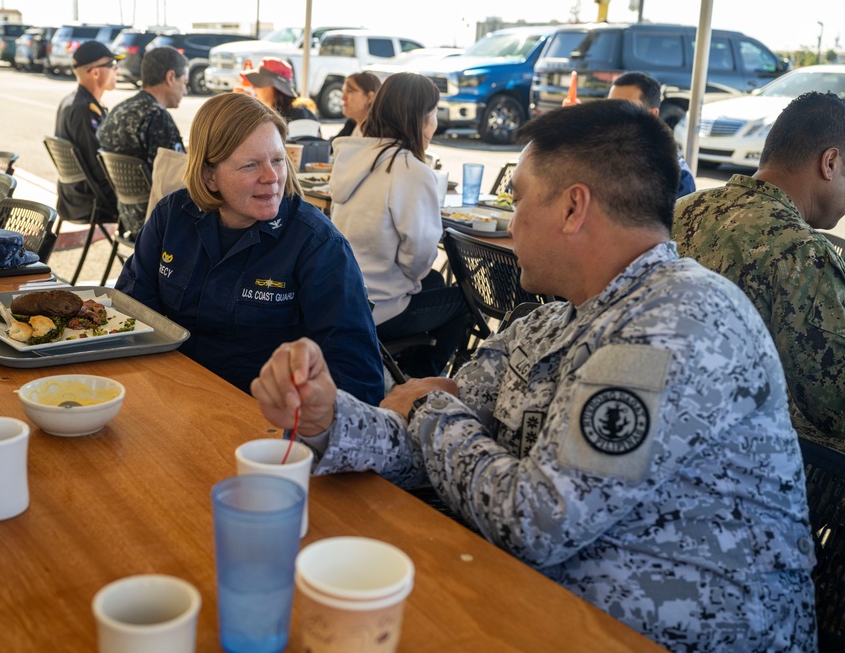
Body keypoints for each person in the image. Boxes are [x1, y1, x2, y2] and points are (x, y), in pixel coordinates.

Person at [253, 101, 817, 652]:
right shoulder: (556, 317)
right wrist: (329, 418)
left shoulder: (676, 322)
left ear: (574, 208)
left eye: (517, 199)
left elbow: (537, 521)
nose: (510, 218)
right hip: (530, 603)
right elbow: (436, 442)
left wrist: (429, 409)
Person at [114, 91, 383, 405]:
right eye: (250, 166)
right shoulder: (172, 217)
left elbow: (356, 380)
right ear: (208, 175)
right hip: (170, 398)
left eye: (278, 160)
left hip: (262, 422)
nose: (271, 177)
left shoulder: (317, 245)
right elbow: (129, 315)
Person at [673, 91, 845, 445]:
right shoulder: (801, 253)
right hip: (735, 458)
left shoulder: (682, 209)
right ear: (829, 163)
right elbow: (835, 408)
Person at [330, 72, 468, 378]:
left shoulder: (355, 155)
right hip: (376, 307)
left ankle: (397, 370)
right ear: (418, 119)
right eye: (433, 115)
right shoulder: (410, 170)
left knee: (433, 281)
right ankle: (416, 385)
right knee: (464, 300)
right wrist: (411, 277)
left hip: (343, 297)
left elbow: (417, 266)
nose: (435, 125)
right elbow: (418, 256)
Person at [53, 41, 120, 223]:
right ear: (96, 72)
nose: (117, 70)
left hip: (73, 199)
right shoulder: (83, 110)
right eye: (112, 65)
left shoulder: (72, 102)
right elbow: (97, 166)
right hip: (91, 204)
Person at [97, 46, 189, 169]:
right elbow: (176, 175)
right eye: (184, 83)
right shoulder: (157, 117)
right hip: (151, 188)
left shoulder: (119, 110)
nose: (185, 91)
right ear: (170, 77)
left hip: (118, 189)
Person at [606, 71, 696, 197]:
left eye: (626, 107)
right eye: (610, 106)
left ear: (652, 115)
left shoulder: (675, 176)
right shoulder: (594, 154)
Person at [241, 58, 319, 123]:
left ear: (275, 87)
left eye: (259, 83)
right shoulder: (265, 114)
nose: (253, 87)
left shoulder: (300, 115)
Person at [331, 71, 380, 141]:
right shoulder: (351, 124)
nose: (343, 98)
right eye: (343, 92)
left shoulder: (378, 134)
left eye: (349, 91)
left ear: (370, 97)